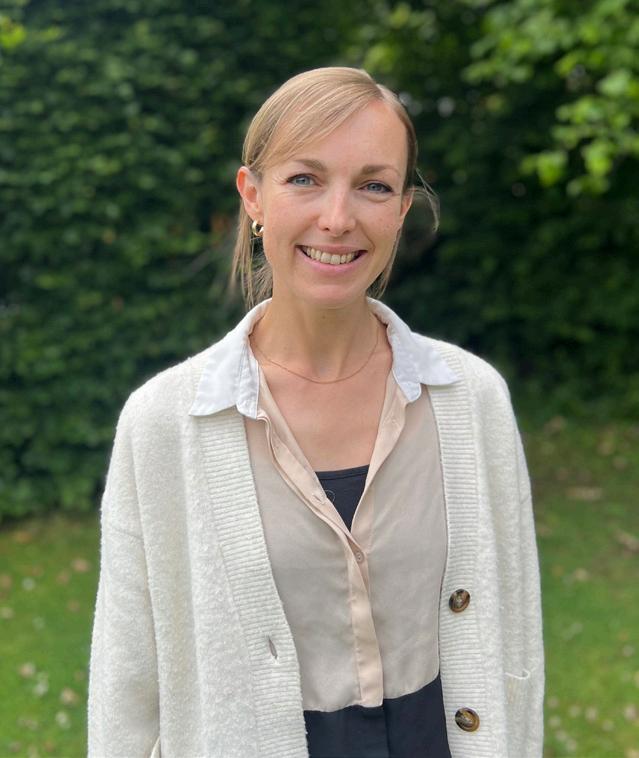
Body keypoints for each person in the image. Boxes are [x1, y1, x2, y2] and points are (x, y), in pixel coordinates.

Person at [88, 67, 544, 758]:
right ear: (253, 196)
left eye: (373, 185)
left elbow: (514, 640)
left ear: (402, 208)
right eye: (304, 178)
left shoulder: (471, 398)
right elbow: (126, 686)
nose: (337, 218)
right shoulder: (163, 423)